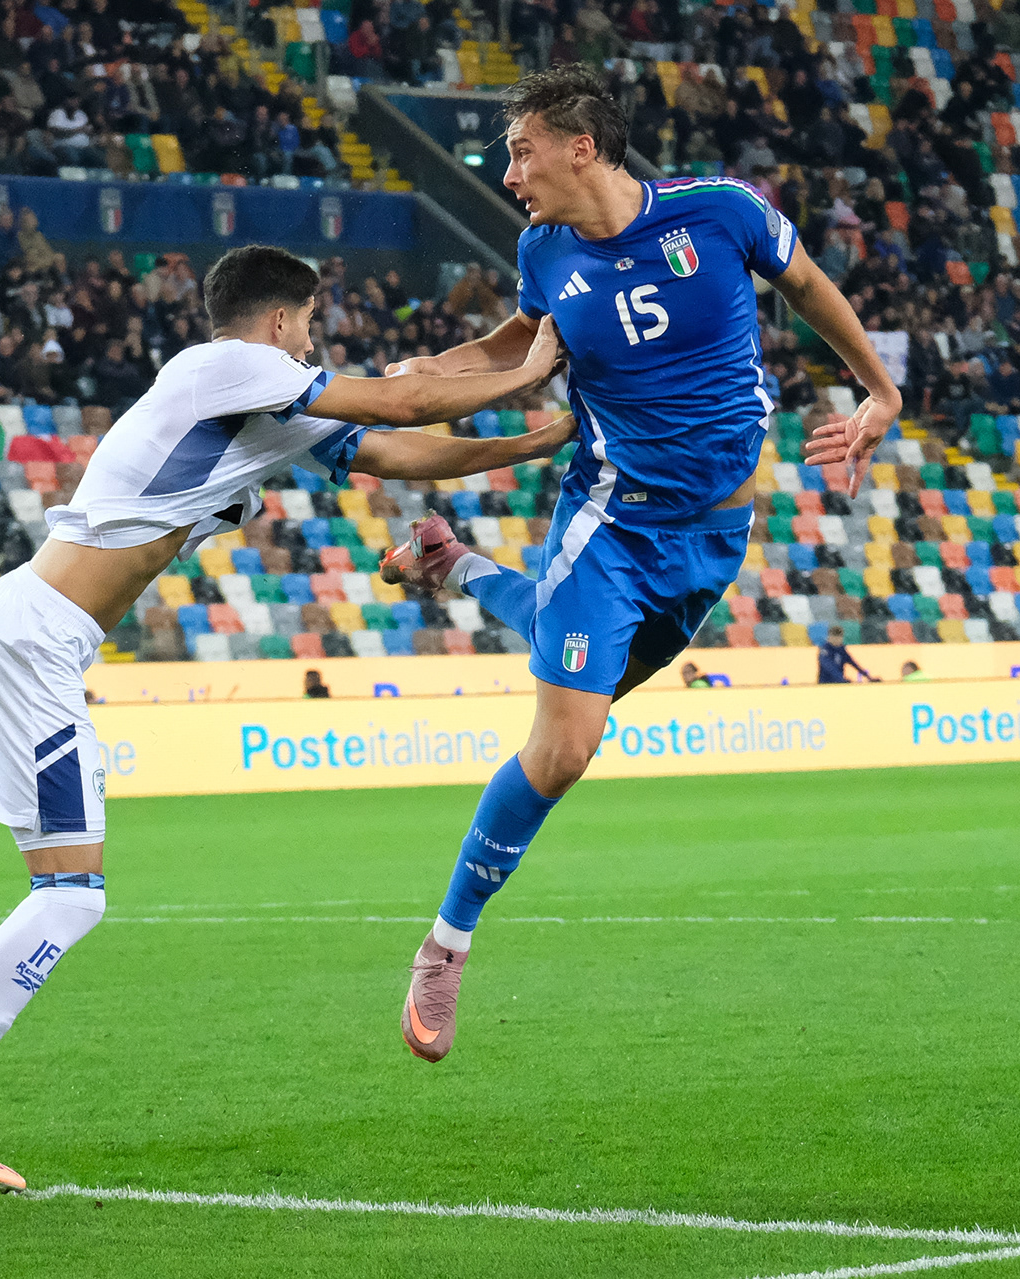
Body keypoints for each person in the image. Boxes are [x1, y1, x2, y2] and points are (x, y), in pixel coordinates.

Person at [0, 243, 576, 1189]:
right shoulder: (230, 366)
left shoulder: (263, 408)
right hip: (39, 638)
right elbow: (406, 401)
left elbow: (402, 449)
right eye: (313, 325)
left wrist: (534, 443)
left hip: (16, 617)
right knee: (71, 894)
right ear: (284, 321)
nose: (316, 344)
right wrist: (535, 368)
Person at [375, 65, 898, 1064]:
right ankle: (447, 943)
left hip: (716, 539)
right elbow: (517, 342)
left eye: (522, 149)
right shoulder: (544, 250)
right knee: (568, 744)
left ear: (582, 146)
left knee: (589, 679)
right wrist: (431, 372)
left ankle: (454, 563)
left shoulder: (722, 213)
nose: (510, 171)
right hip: (611, 525)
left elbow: (812, 287)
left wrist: (877, 391)